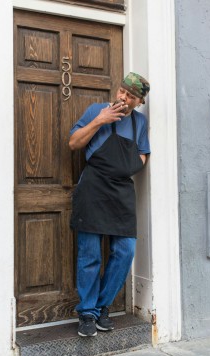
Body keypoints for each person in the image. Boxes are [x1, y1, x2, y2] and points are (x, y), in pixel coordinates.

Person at [69, 72, 150, 337]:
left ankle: (102, 306)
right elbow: (74, 142)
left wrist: (129, 166)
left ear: (139, 102)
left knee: (126, 250)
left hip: (122, 192)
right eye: (122, 92)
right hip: (93, 189)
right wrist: (100, 121)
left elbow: (142, 155)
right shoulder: (96, 110)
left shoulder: (140, 122)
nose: (123, 98)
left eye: (131, 97)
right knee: (90, 254)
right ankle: (87, 314)